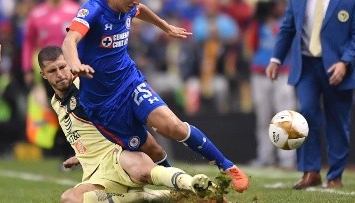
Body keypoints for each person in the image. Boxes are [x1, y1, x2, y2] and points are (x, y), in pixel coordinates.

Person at [62, 0, 249, 193]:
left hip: (130, 83)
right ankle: (179, 190)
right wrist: (75, 64)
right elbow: (69, 40)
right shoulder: (94, 10)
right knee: (155, 152)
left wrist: (165, 26)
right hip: (104, 106)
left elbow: (141, 10)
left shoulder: (128, 6)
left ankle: (227, 166)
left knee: (175, 127)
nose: (136, 1)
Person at [38, 45, 220, 202]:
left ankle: (195, 186)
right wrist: (80, 155)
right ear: (44, 75)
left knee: (142, 168)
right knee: (69, 199)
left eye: (63, 67)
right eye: (53, 71)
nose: (60, 74)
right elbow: (85, 131)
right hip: (96, 174)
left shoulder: (86, 86)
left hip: (117, 154)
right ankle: (155, 197)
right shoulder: (56, 102)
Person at [266, 0, 355, 189]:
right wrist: (276, 58)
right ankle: (310, 171)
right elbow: (288, 26)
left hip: (337, 68)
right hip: (307, 65)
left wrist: (345, 62)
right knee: (306, 115)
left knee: (337, 122)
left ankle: (335, 175)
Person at [21, 0, 80, 166]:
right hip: (50, 74)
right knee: (56, 113)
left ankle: (84, 152)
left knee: (78, 110)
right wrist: (27, 71)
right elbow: (28, 42)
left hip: (72, 70)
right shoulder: (37, 14)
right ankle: (64, 155)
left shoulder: (75, 10)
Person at [247, 0, 297, 169]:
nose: (279, 8)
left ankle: (287, 158)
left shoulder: (287, 23)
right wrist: (257, 19)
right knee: (263, 117)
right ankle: (265, 156)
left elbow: (292, 43)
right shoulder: (258, 24)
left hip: (283, 73)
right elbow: (251, 45)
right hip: (260, 74)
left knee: (285, 116)